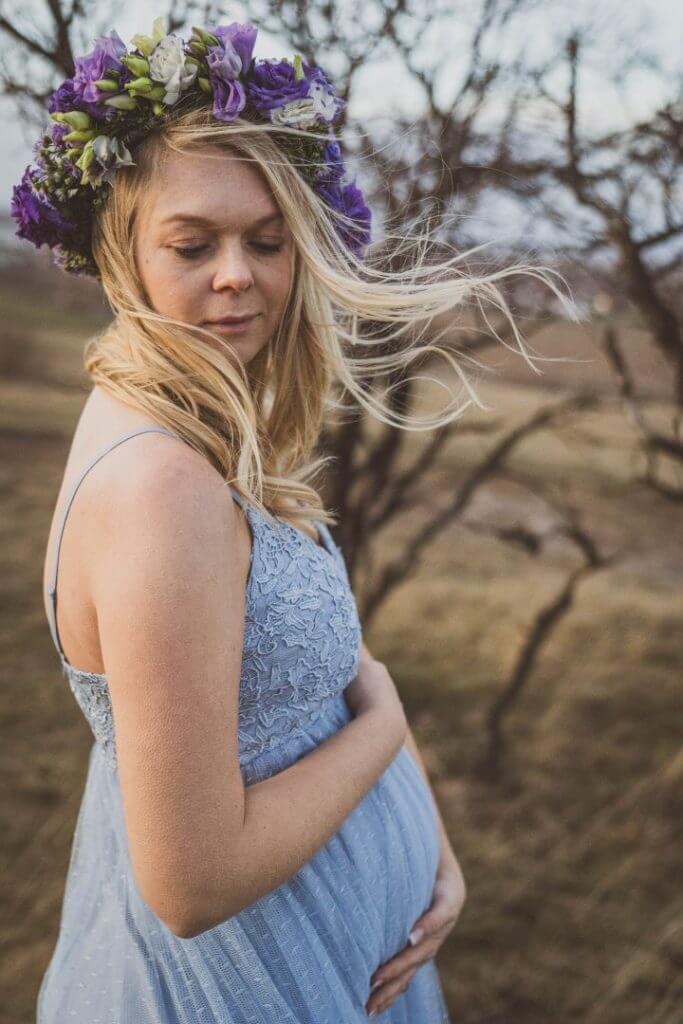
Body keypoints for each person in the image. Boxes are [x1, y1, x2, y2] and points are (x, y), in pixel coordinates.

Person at [14, 16, 569, 1024]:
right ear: (122, 250)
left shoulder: (194, 428)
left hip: (332, 946)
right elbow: (191, 884)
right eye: (193, 243)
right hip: (248, 983)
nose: (238, 273)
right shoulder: (162, 489)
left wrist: (425, 839)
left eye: (267, 241)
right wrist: (389, 719)